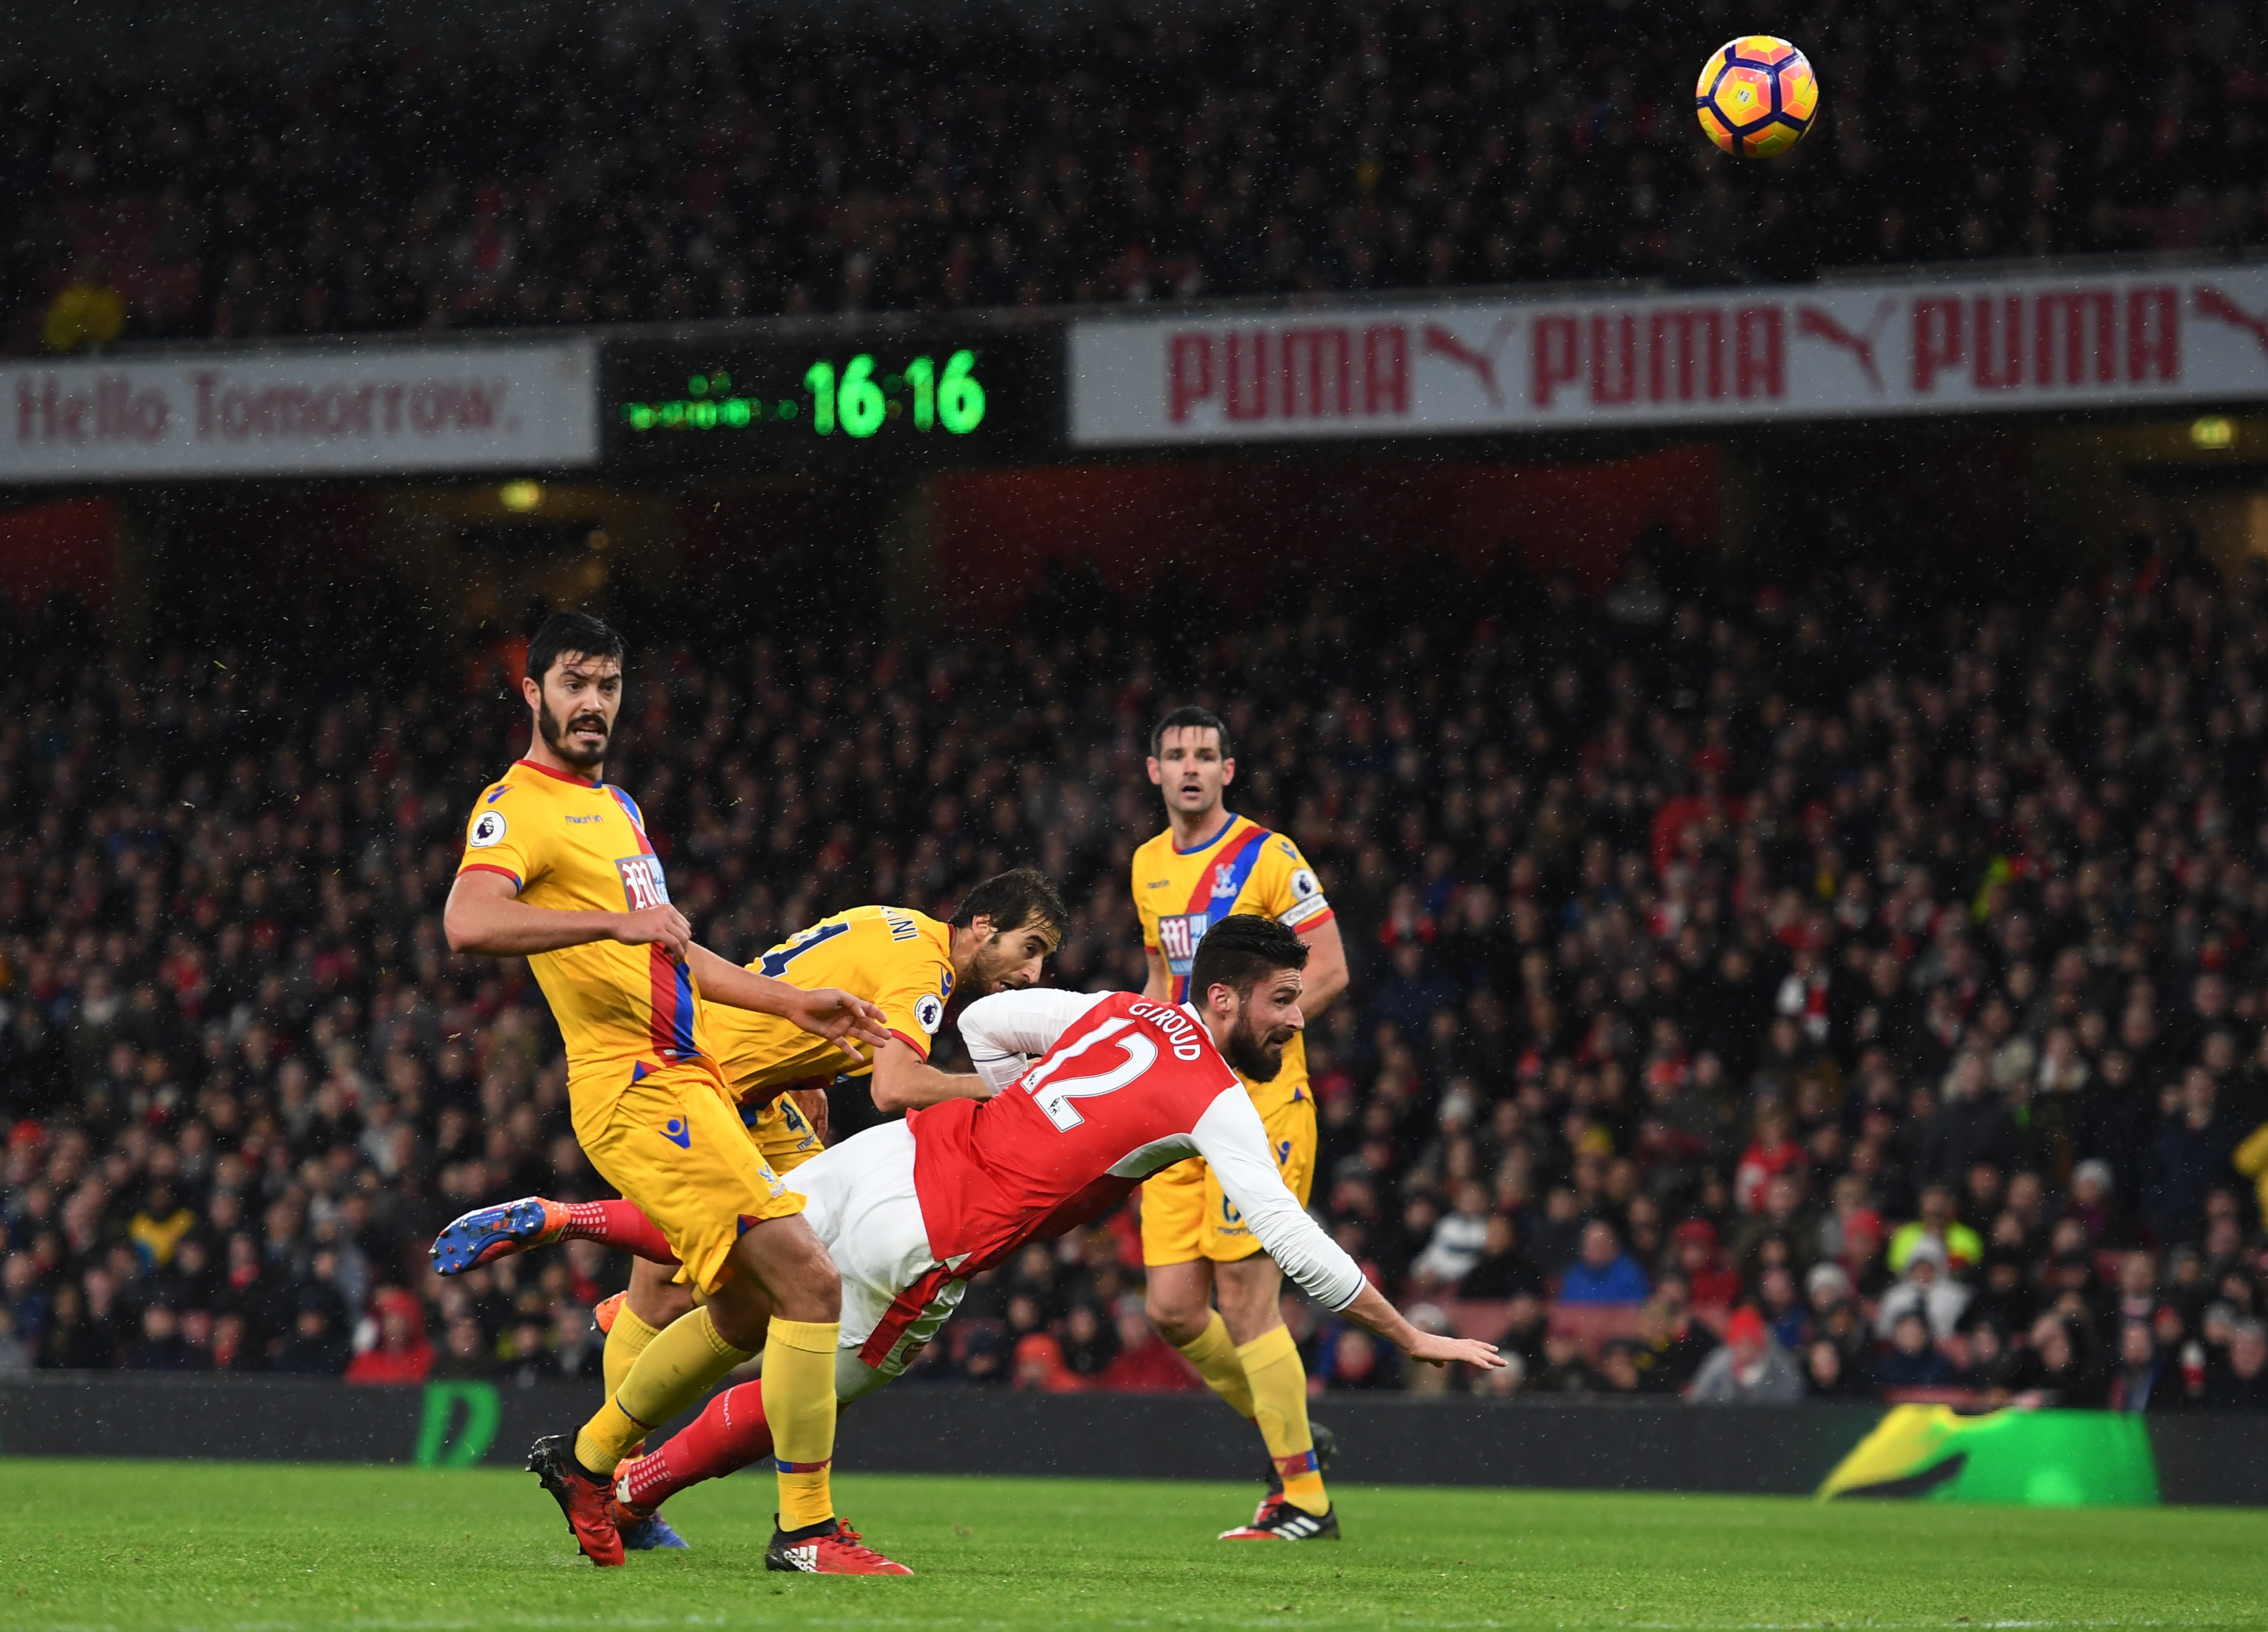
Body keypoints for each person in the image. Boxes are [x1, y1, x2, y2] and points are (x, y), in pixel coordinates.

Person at [588, 916, 1501, 1544]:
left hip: (895, 1149)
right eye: (1285, 1001)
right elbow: (1294, 1241)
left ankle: (573, 1229)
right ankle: (643, 1488)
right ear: (1224, 999)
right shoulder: (1216, 1098)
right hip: (936, 1229)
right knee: (817, 1386)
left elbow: (986, 1020)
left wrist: (1014, 1111)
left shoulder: (1121, 1009)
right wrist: (1412, 1333)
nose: (1298, 1020)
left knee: (744, 1268)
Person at [440, 610, 899, 1574]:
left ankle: (587, 1461)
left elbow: (672, 956)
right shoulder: (515, 805)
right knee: (811, 1281)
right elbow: (469, 920)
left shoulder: (620, 810)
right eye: (573, 683)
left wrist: (794, 1001)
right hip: (635, 1087)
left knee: (740, 1313)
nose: (593, 703)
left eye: (607, 684)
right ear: (532, 692)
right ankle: (806, 1532)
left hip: (692, 1076)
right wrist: (610, 919)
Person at [433, 869, 1067, 1539]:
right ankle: (661, 1483)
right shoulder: (926, 969)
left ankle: (626, 1468)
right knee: (785, 1283)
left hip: (746, 1081)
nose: (1034, 974)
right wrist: (1007, 1091)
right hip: (707, 1087)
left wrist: (804, 1070)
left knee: (780, 1274)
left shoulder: (892, 920)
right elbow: (896, 1086)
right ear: (980, 928)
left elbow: (789, 980)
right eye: (1029, 948)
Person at [1130, 707, 1352, 1539]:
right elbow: (1162, 977)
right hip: (1182, 1106)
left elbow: (1327, 968)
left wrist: (1261, 1034)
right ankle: (1285, 1429)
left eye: (1206, 755)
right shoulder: (1147, 865)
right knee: (1174, 1310)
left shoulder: (1269, 856)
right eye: (1176, 754)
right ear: (1153, 770)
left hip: (1261, 1104)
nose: (1191, 767)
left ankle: (1304, 1498)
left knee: (1248, 1299)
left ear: (1230, 769)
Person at [1687, 1307, 1803, 1403]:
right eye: (1739, 1343)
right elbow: (1700, 1397)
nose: (1744, 1349)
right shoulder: (1718, 1365)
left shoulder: (1779, 1364)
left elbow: (1793, 1393)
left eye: (1749, 1342)